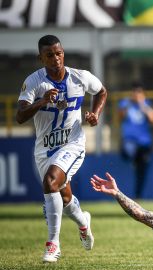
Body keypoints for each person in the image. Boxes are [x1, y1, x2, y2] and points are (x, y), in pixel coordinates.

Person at [16, 35, 108, 263]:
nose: (56, 59)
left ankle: (53, 244)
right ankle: (84, 222)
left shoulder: (80, 76)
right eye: (49, 55)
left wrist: (95, 114)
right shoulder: (34, 82)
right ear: (41, 58)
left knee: (50, 182)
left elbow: (102, 92)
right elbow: (19, 116)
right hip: (44, 149)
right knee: (64, 198)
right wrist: (41, 102)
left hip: (72, 143)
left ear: (63, 52)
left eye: (59, 53)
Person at [119, 81, 153, 199]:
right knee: (129, 151)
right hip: (129, 141)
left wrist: (142, 105)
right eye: (134, 92)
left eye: (139, 92)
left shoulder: (147, 104)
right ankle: (133, 160)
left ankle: (138, 195)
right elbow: (120, 116)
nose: (136, 95)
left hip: (144, 142)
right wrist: (129, 105)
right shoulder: (125, 104)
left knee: (142, 170)